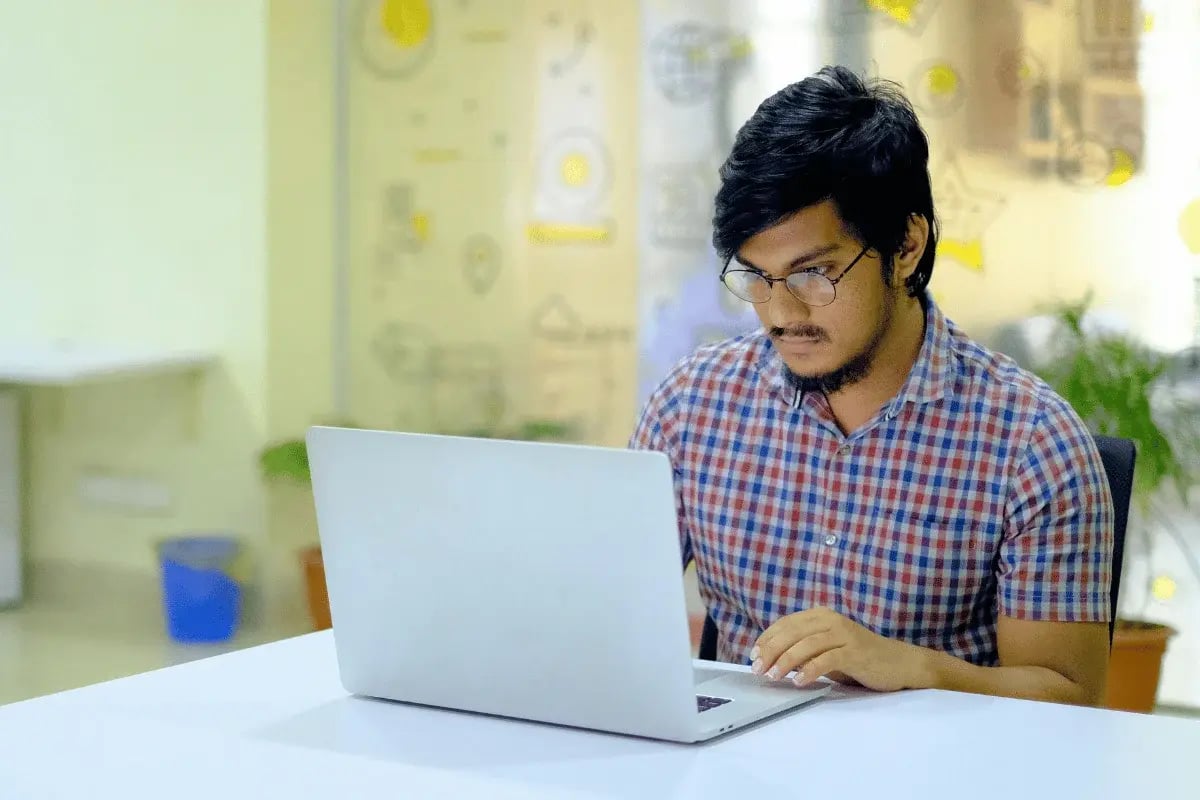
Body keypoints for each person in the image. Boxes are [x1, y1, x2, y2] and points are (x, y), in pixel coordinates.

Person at [629, 66, 1114, 706]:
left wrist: (912, 666)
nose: (780, 313)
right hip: (734, 757)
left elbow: (1071, 698)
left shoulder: (1031, 443)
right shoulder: (691, 406)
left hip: (934, 759)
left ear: (906, 246)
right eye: (756, 276)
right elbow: (606, 616)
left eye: (814, 273)